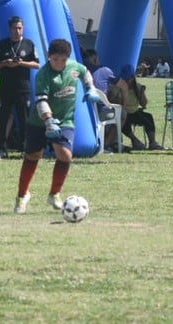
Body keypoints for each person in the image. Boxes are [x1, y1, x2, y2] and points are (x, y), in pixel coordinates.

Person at [13, 38, 111, 214]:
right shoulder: (43, 74)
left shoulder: (74, 68)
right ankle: (22, 195)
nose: (59, 63)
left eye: (63, 60)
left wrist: (90, 87)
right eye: (56, 59)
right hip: (40, 121)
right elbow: (41, 101)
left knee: (65, 155)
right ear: (49, 57)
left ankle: (54, 193)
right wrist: (48, 121)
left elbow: (85, 72)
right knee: (33, 155)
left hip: (65, 121)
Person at [0, 16, 40, 158]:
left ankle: (26, 149)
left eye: (19, 28)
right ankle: (0, 149)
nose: (17, 31)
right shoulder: (2, 44)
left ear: (22, 28)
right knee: (2, 118)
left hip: (23, 88)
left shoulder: (29, 44)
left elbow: (37, 64)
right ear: (9, 29)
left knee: (24, 119)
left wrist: (21, 63)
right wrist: (5, 63)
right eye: (14, 28)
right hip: (5, 88)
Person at [113, 64, 164, 151]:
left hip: (134, 111)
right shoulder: (118, 88)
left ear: (132, 78)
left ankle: (152, 142)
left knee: (148, 117)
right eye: (123, 78)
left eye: (127, 79)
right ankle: (135, 140)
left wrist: (141, 93)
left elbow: (144, 104)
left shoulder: (138, 87)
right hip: (123, 112)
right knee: (124, 120)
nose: (125, 81)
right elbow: (114, 101)